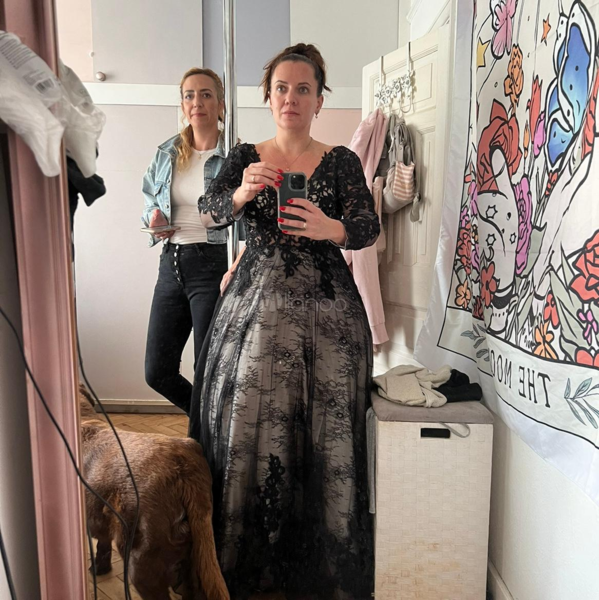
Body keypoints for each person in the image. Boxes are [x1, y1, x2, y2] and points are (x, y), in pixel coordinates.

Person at [191, 44, 378, 600]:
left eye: (303, 89)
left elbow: (367, 227)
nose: (290, 98)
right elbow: (209, 211)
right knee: (250, 422)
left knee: (326, 427)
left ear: (319, 100)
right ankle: (247, 560)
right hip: (254, 311)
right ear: (267, 97)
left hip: (329, 316)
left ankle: (318, 563)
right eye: (281, 88)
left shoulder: (341, 161)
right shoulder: (244, 155)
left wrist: (329, 228)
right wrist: (243, 191)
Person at [141, 68, 229, 415]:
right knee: (157, 372)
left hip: (214, 264)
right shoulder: (167, 153)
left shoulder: (234, 155)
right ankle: (211, 427)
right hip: (171, 263)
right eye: (189, 95)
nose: (197, 102)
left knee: (206, 372)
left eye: (206, 94)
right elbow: (149, 201)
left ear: (220, 104)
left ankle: (206, 440)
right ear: (182, 104)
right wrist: (154, 218)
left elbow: (245, 216)